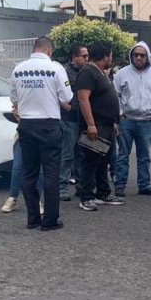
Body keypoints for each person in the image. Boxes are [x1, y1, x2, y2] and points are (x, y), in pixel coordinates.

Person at [9, 37, 72, 231]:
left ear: (34, 49)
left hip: (26, 125)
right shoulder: (55, 69)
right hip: (49, 125)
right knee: (51, 174)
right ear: (49, 51)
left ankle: (33, 219)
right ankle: (50, 221)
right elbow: (67, 97)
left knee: (29, 173)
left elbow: (14, 98)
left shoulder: (18, 69)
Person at [112, 41, 151, 197]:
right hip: (127, 120)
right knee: (122, 155)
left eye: (142, 55)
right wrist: (119, 114)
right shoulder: (122, 74)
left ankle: (144, 185)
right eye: (136, 55)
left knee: (144, 156)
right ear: (131, 56)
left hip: (146, 121)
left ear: (147, 56)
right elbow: (114, 96)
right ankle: (119, 185)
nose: (139, 57)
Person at [75, 41, 124, 212]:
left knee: (104, 161)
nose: (111, 58)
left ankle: (103, 193)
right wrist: (91, 125)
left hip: (107, 125)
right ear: (105, 56)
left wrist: (112, 123)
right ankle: (86, 196)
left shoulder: (100, 72)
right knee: (91, 161)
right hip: (95, 126)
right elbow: (83, 99)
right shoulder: (87, 72)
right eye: (110, 55)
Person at [59, 44, 89, 202]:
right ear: (74, 57)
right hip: (69, 119)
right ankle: (61, 187)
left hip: (83, 119)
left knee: (81, 154)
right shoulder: (64, 71)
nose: (86, 58)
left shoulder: (87, 71)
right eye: (83, 56)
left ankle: (80, 186)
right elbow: (57, 92)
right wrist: (67, 107)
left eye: (87, 55)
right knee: (67, 155)